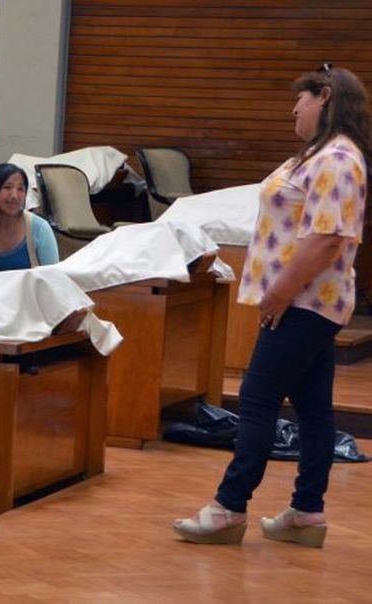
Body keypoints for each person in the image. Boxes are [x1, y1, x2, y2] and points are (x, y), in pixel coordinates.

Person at [174, 65, 370, 547]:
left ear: (324, 97)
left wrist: (278, 293)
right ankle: (305, 513)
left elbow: (325, 239)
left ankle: (228, 508)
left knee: (258, 403)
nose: (292, 110)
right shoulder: (318, 155)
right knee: (314, 409)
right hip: (304, 302)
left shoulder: (339, 159)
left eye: (299, 100)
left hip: (301, 302)